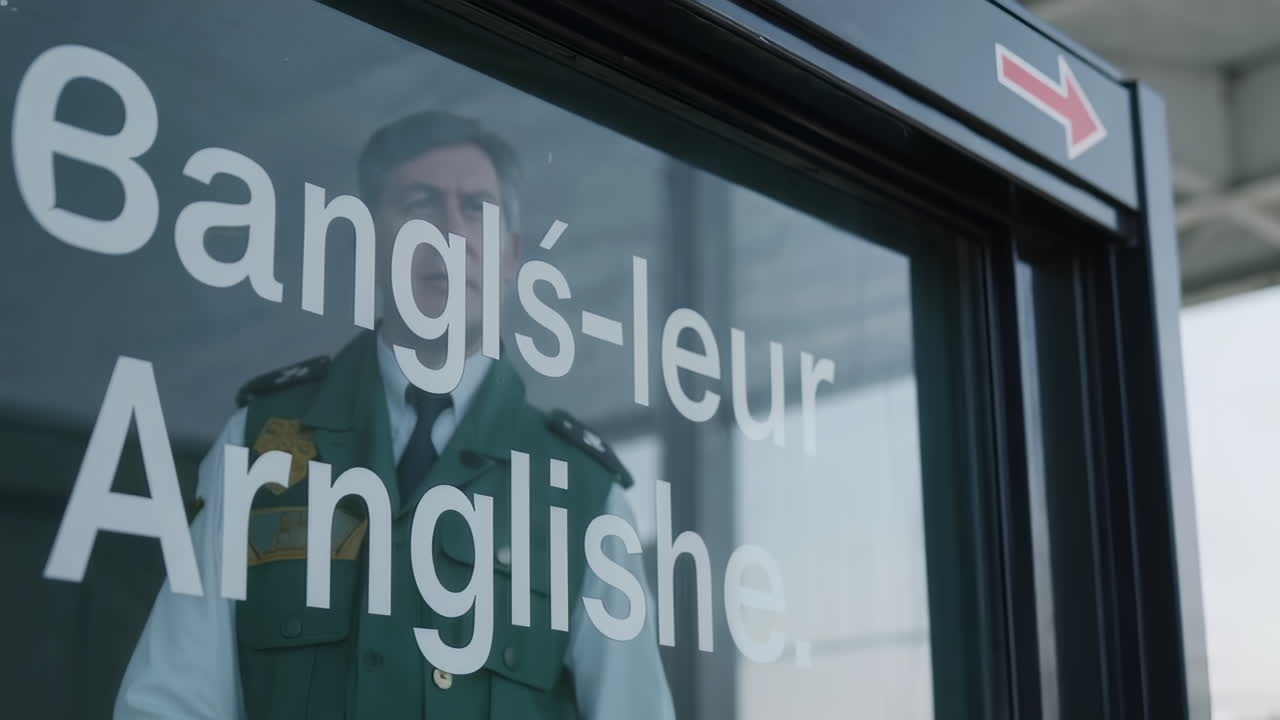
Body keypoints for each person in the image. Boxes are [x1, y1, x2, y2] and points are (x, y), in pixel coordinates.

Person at [115, 111, 675, 720]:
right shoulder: (258, 443)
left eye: (476, 208)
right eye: (420, 204)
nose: (451, 232)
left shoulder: (584, 493)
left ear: (512, 254)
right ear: (367, 240)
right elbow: (170, 703)